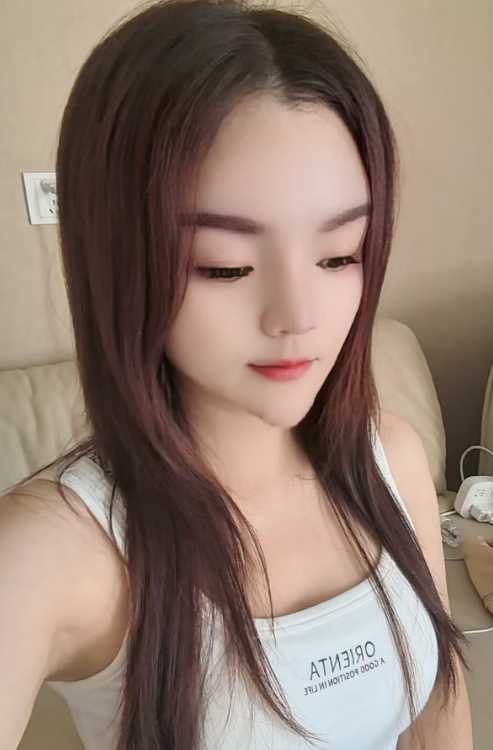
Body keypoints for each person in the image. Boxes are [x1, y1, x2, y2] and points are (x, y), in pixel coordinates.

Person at [0, 1, 473, 749]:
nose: (297, 316)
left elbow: (439, 714)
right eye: (224, 266)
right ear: (120, 260)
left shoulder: (392, 458)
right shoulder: (52, 550)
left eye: (339, 255)